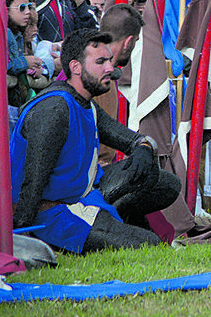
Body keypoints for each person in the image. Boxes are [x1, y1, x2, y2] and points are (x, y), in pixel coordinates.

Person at [9, 29, 181, 252]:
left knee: (165, 183)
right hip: (50, 215)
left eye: (110, 60)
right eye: (100, 62)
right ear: (75, 67)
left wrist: (144, 147)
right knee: (149, 245)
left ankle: (110, 222)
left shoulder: (84, 102)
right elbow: (33, 181)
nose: (110, 68)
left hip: (79, 198)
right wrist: (21, 235)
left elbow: (132, 140)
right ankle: (80, 235)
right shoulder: (55, 109)